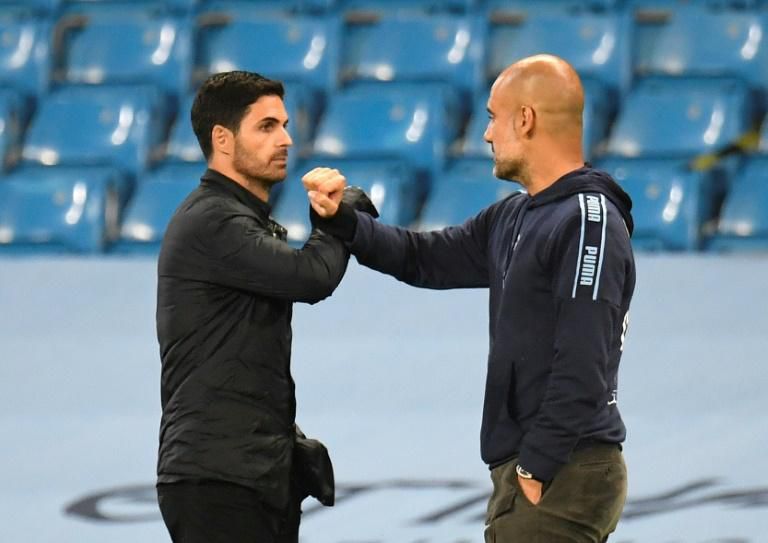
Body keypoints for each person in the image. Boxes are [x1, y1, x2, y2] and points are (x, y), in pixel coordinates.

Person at [306, 55, 636, 542]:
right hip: (540, 467)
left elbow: (584, 359)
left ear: (525, 119)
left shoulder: (588, 220)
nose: (486, 134)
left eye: (493, 117)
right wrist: (345, 222)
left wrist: (537, 465)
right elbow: (423, 257)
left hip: (564, 467)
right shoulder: (514, 217)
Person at [155, 71, 375, 543]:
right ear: (223, 139)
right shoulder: (213, 220)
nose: (286, 139)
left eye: (285, 125)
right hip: (219, 482)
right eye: (267, 126)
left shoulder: (235, 218)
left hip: (250, 477)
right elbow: (311, 277)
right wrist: (338, 218)